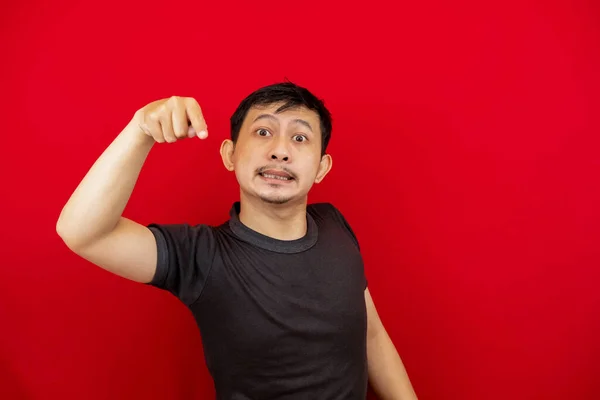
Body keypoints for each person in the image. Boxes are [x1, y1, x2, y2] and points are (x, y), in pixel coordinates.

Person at [56, 82, 418, 400]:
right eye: (263, 132)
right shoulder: (201, 256)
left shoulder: (334, 224)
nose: (280, 150)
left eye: (299, 137)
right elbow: (84, 233)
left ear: (322, 167)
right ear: (229, 154)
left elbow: (371, 337)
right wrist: (140, 131)